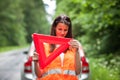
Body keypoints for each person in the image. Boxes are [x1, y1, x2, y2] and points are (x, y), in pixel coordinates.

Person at [32, 14, 83, 80]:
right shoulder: (45, 47)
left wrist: (77, 52)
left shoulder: (73, 47)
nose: (62, 33)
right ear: (54, 28)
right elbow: (39, 75)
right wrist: (36, 63)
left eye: (65, 30)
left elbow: (78, 72)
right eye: (60, 29)